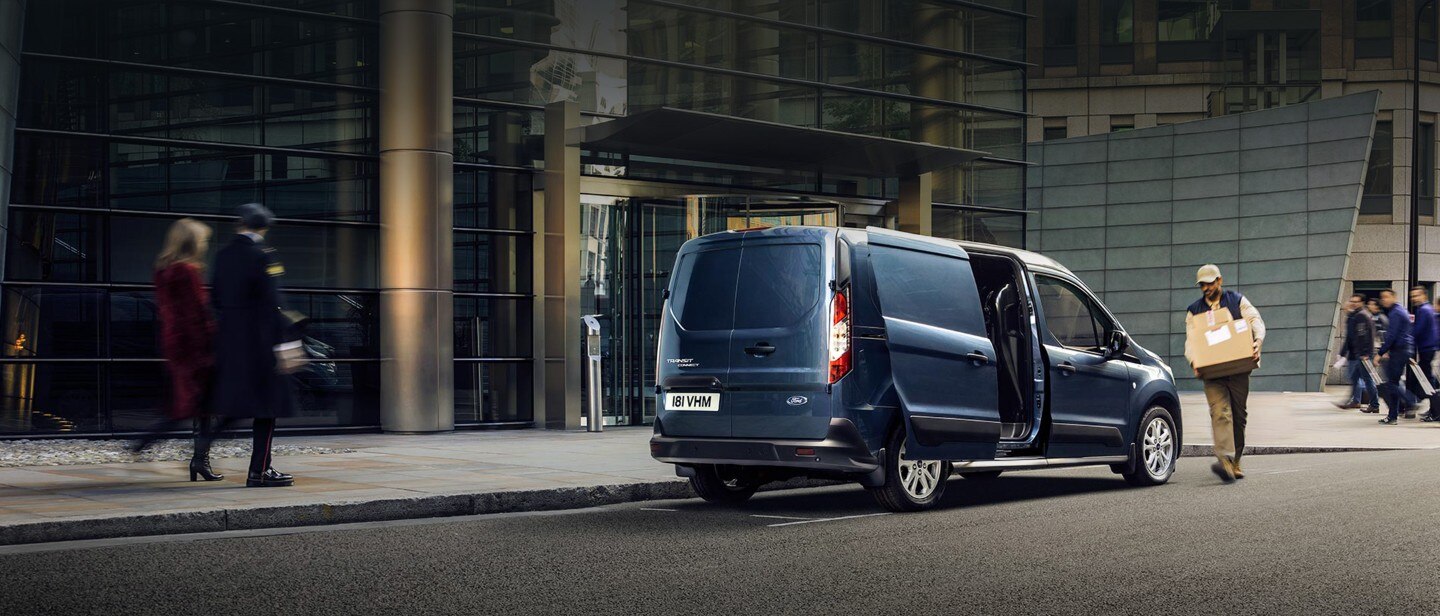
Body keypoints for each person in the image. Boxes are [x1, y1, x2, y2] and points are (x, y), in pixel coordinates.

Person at [129, 219, 225, 482]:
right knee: (198, 405)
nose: (205, 245)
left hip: (176, 344)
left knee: (194, 405)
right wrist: (212, 343)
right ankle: (157, 445)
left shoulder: (164, 270)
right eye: (203, 240)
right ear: (192, 243)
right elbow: (197, 314)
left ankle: (196, 460)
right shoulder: (187, 272)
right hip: (195, 348)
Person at [211, 203, 298, 487]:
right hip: (261, 342)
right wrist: (286, 340)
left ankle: (201, 450)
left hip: (231, 341)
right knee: (267, 408)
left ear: (240, 224)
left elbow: (215, 299)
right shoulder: (263, 256)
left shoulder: (223, 256)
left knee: (235, 404)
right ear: (263, 227)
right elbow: (274, 301)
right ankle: (259, 470)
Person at [1185, 264, 1265, 484]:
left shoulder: (1237, 300)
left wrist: (1257, 341)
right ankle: (1224, 460)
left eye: (1210, 283)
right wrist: (1194, 360)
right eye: (1202, 284)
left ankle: (1236, 459)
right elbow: (1191, 340)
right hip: (1212, 373)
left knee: (1239, 416)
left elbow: (1255, 321)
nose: (1206, 288)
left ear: (1219, 281)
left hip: (1239, 369)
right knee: (1220, 412)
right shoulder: (1194, 310)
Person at [1335, 293, 1380, 414]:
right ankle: (1355, 401)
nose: (1353, 303)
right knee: (1355, 377)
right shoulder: (1358, 315)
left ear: (1361, 303)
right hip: (1358, 353)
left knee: (1367, 379)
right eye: (1352, 301)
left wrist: (1365, 354)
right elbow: (1351, 335)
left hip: (1363, 355)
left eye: (1356, 302)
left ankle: (1374, 404)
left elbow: (1363, 336)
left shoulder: (1361, 316)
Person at [1376, 289, 1414, 425]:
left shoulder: (1396, 313)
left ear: (1393, 297)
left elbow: (1392, 336)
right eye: (1382, 298)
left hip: (1399, 351)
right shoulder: (1398, 311)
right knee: (1394, 383)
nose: (1383, 300)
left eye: (1386, 297)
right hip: (1401, 350)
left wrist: (1380, 353)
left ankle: (1410, 401)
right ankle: (1392, 416)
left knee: (1392, 384)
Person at [1409, 286, 1439, 419]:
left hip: (1427, 349)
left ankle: (1434, 410)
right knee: (1427, 381)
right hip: (1427, 349)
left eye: (1417, 295)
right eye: (1413, 296)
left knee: (1427, 382)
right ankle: (1433, 410)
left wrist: (1409, 344)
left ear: (1424, 296)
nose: (1414, 298)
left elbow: (1418, 331)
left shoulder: (1424, 310)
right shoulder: (1425, 309)